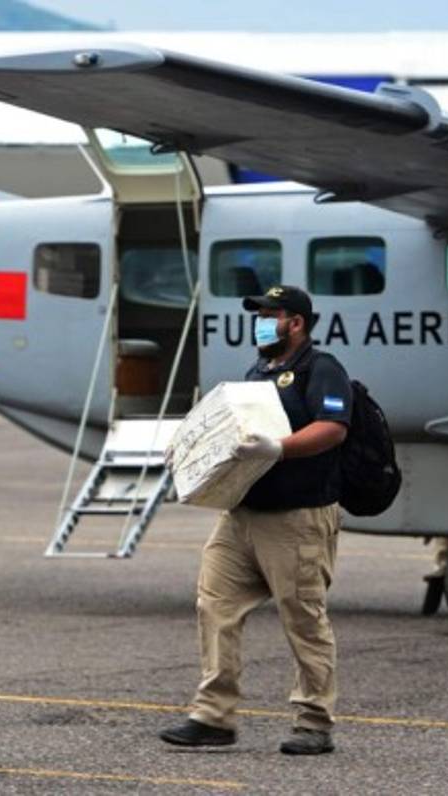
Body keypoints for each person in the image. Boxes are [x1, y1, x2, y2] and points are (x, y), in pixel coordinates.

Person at [160, 285, 351, 755]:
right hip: (242, 514)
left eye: (272, 314)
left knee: (303, 617)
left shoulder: (320, 369)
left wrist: (280, 448)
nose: (262, 322)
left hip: (297, 518)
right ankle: (214, 716)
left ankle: (314, 722)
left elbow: (334, 428)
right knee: (214, 605)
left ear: (297, 323)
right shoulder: (258, 371)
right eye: (259, 314)